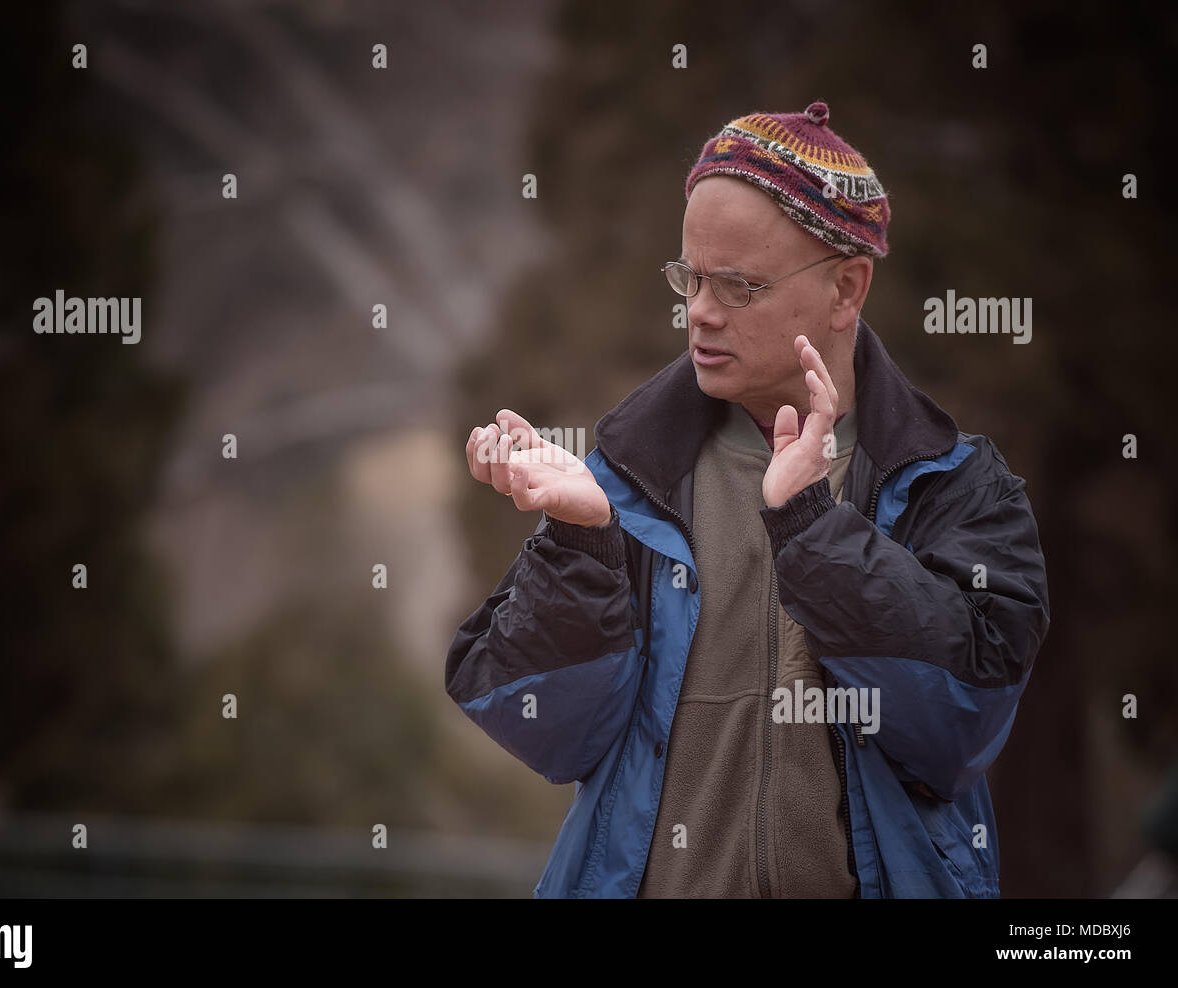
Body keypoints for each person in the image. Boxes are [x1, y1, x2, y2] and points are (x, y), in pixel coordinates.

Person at [445, 101, 1051, 898]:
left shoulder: (959, 486)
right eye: (690, 277)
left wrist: (814, 532)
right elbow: (545, 730)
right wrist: (579, 537)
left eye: (738, 285)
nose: (699, 310)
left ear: (846, 288)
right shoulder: (627, 477)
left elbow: (960, 726)